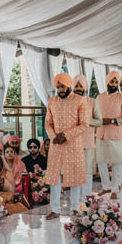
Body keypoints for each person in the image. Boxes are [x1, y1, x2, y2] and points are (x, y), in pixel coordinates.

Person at [44, 72, 89, 219]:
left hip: (73, 144)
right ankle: (55, 209)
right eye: (58, 87)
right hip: (56, 145)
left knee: (75, 176)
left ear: (68, 85)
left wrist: (66, 135)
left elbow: (84, 125)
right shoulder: (52, 101)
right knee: (54, 177)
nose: (60, 89)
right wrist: (53, 137)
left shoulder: (80, 101)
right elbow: (48, 124)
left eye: (62, 86)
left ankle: (75, 208)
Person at [94, 71, 122, 198]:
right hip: (101, 134)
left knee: (117, 162)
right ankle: (106, 187)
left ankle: (115, 189)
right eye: (112, 82)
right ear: (107, 83)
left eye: (116, 82)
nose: (114, 84)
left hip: (115, 134)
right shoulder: (99, 97)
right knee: (101, 162)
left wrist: (113, 120)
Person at [72, 75, 98, 197]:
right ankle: (76, 201)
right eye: (76, 86)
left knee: (87, 171)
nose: (78, 88)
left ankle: (86, 198)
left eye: (80, 86)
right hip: (72, 142)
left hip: (87, 141)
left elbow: (100, 121)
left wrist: (86, 120)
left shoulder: (92, 102)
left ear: (85, 87)